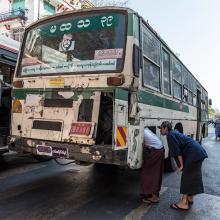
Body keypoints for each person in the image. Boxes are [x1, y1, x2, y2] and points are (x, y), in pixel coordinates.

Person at [158, 121, 208, 211]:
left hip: (194, 153)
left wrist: (181, 165)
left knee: (187, 177)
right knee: (194, 175)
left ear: (165, 128)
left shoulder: (170, 135)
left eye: (161, 128)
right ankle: (190, 197)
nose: (160, 130)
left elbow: (177, 152)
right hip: (198, 152)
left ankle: (184, 203)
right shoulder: (174, 132)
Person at [140, 127, 165, 203]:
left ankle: (152, 196)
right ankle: (153, 195)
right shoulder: (145, 129)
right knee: (155, 173)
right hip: (159, 149)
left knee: (148, 173)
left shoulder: (141, 131)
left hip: (156, 151)